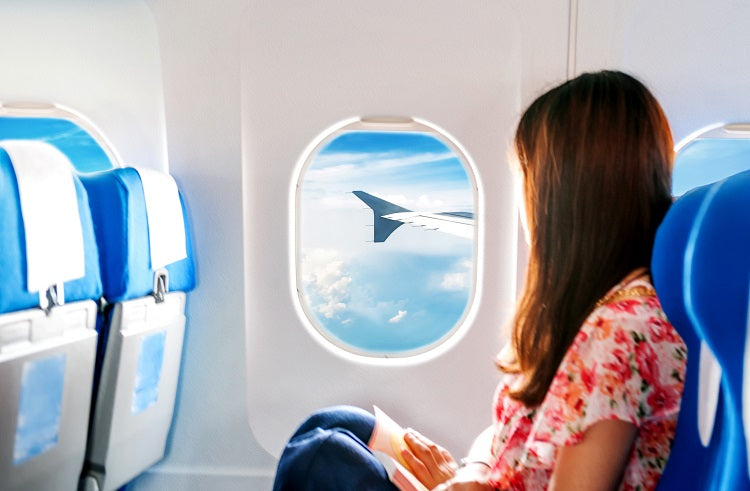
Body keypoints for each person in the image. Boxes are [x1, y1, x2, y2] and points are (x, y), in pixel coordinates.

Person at [272, 70, 686, 491]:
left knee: (322, 461)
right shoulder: (608, 311)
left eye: (528, 181)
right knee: (336, 425)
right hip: (487, 481)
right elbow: (514, 431)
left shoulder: (617, 333)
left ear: (562, 199)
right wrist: (471, 474)